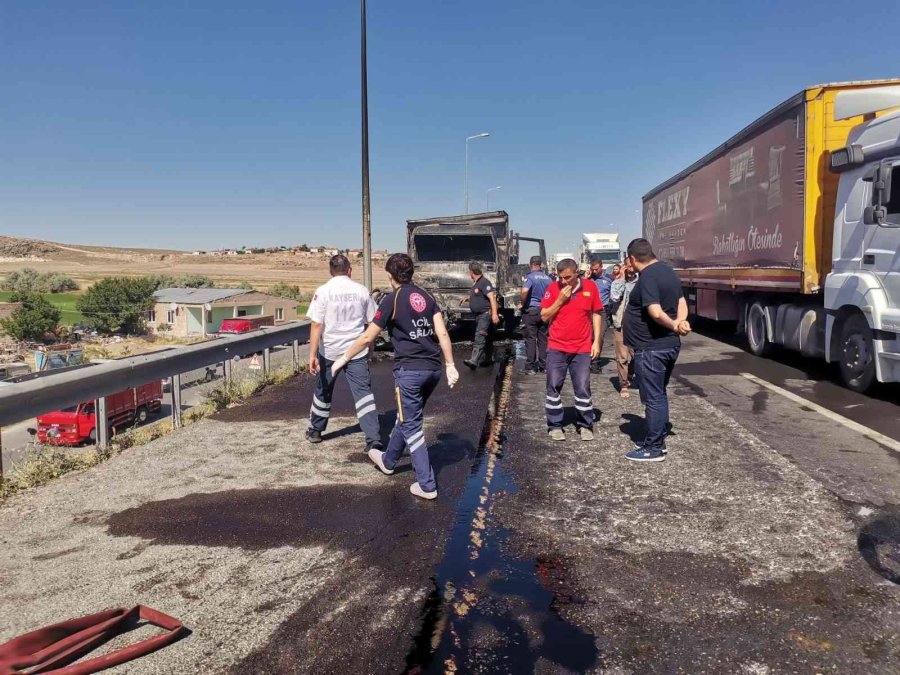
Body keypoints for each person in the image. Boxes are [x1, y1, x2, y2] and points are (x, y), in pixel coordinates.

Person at [331, 253, 460, 500]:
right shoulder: (426, 296)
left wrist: (344, 358)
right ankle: (389, 461)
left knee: (412, 425)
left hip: (409, 371)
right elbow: (442, 333)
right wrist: (450, 365)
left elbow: (368, 337)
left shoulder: (392, 299)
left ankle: (426, 484)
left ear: (390, 276)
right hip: (432, 369)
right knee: (407, 415)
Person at [622, 238, 691, 462]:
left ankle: (654, 447)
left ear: (632, 259)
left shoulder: (649, 276)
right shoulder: (668, 271)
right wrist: (681, 321)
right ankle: (657, 437)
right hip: (668, 346)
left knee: (653, 398)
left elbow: (654, 310)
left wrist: (674, 325)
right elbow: (682, 301)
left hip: (652, 349)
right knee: (658, 394)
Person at [304, 254, 382, 451]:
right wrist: (370, 347)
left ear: (331, 271)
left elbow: (316, 324)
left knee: (323, 390)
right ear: (349, 270)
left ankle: (315, 431)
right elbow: (372, 322)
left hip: (330, 351)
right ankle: (373, 439)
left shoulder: (323, 291)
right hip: (356, 351)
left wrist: (312, 355)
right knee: (363, 394)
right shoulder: (362, 291)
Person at [540, 258, 603, 441]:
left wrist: (596, 341)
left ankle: (585, 425)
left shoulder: (590, 287)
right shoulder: (553, 289)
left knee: (583, 387)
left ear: (577, 273)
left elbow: (596, 314)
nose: (563, 281)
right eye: (561, 277)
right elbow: (544, 316)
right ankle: (555, 425)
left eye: (567, 277)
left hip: (582, 347)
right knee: (553, 386)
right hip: (557, 346)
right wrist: (559, 300)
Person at [463, 262, 500, 369]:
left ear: (471, 272)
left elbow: (492, 298)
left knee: (480, 335)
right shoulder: (477, 283)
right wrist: (468, 298)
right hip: (479, 315)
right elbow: (479, 296)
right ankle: (488, 358)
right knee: (487, 338)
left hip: (485, 315)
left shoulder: (484, 282)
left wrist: (494, 314)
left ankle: (473, 360)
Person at [519, 256, 551, 374]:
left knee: (530, 338)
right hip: (544, 311)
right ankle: (544, 366)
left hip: (531, 310)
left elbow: (524, 291)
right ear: (541, 265)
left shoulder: (530, 277)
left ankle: (530, 367)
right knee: (543, 339)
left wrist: (522, 303)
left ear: (530, 264)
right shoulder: (548, 278)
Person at [610, 264, 637, 399]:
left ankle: (630, 373)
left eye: (632, 266)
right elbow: (615, 297)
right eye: (627, 266)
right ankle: (624, 384)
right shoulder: (617, 283)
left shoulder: (642, 282)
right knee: (622, 357)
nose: (630, 269)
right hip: (621, 324)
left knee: (638, 355)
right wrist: (621, 278)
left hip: (638, 326)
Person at [588, 257, 614, 373]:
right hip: (588, 311)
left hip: (602, 311)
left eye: (596, 269)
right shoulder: (587, 279)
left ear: (601, 266)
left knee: (599, 336)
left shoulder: (608, 279)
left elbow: (614, 294)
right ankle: (588, 359)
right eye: (592, 269)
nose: (594, 272)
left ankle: (595, 361)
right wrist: (586, 278)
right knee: (588, 336)